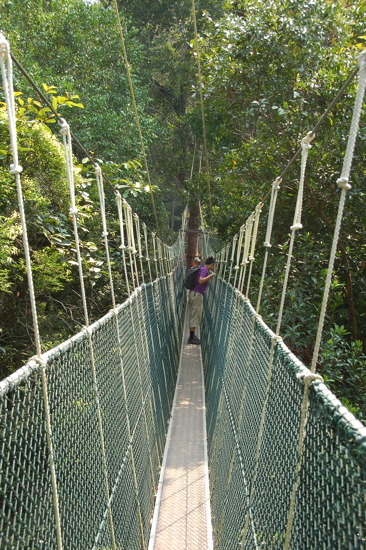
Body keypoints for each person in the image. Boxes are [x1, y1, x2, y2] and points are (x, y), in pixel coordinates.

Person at [187, 256, 215, 345]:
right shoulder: (205, 269)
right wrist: (211, 275)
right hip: (197, 294)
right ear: (212, 264)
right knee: (195, 315)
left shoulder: (201, 268)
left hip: (195, 293)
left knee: (195, 314)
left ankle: (193, 336)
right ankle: (191, 338)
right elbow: (201, 281)